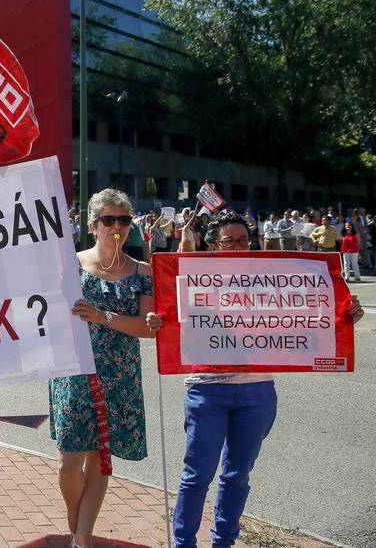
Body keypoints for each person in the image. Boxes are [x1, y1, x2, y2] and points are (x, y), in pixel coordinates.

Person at [146, 210, 364, 547]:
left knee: (237, 476)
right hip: (207, 391)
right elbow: (169, 321)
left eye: (243, 240)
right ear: (212, 246)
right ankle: (184, 542)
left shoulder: (269, 276)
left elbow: (308, 312)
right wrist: (157, 322)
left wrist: (344, 312)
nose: (238, 246)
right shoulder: (189, 278)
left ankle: (224, 541)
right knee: (197, 476)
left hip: (257, 391)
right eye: (229, 241)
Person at [49, 188, 155, 548]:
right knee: (68, 463)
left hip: (119, 374)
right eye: (108, 219)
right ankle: (74, 522)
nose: (117, 226)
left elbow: (145, 328)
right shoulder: (70, 264)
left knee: (100, 459)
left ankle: (82, 538)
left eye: (124, 220)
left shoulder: (142, 272)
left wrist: (102, 316)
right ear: (93, 225)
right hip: (74, 372)